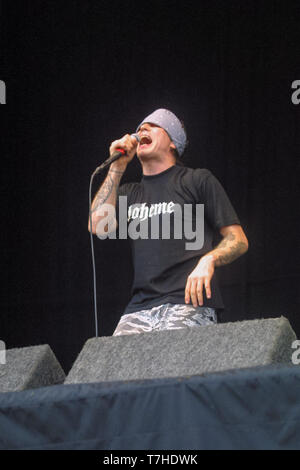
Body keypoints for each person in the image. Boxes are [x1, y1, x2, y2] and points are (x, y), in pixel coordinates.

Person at [89, 109, 248, 336]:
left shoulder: (196, 180)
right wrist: (118, 166)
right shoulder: (129, 193)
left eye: (153, 126)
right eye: (140, 128)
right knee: (113, 369)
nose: (142, 130)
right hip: (139, 309)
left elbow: (238, 239)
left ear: (173, 142)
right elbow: (96, 226)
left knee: (176, 369)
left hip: (188, 302)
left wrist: (208, 260)